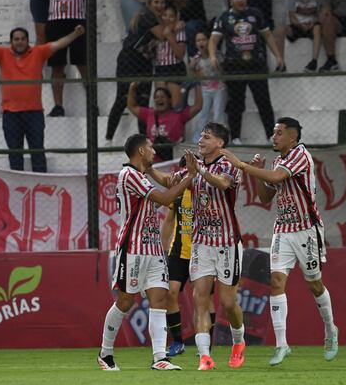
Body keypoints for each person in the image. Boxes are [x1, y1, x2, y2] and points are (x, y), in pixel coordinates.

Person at [220, 117, 339, 366]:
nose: (274, 137)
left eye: (279, 133)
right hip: (283, 229)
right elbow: (266, 196)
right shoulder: (278, 161)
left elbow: (276, 178)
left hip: (307, 229)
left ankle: (330, 329)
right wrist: (257, 172)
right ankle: (282, 344)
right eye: (274, 133)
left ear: (292, 137)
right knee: (276, 282)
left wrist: (242, 165)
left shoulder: (300, 155)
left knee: (315, 284)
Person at [97, 133, 196, 371]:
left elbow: (169, 185)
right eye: (150, 147)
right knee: (125, 300)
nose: (154, 151)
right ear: (140, 151)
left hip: (152, 248)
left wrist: (188, 173)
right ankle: (105, 353)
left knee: (159, 298)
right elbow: (164, 198)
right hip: (133, 248)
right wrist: (190, 177)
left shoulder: (141, 175)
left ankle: (159, 357)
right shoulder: (128, 174)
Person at [0, 24, 86, 172]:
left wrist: (75, 34)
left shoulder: (38, 52)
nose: (19, 42)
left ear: (28, 41)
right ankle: (17, 186)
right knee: (15, 153)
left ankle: (41, 185)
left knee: (37, 152)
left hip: (34, 113)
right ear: (11, 42)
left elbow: (59, 44)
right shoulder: (2, 54)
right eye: (16, 39)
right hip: (10, 114)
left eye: (22, 39)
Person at [178, 122, 246, 370]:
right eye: (200, 136)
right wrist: (148, 170)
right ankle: (204, 356)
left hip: (227, 243)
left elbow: (224, 184)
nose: (200, 140)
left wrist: (199, 172)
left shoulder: (228, 164)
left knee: (228, 303)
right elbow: (170, 180)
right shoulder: (193, 166)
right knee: (200, 299)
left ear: (220, 143)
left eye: (206, 137)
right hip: (201, 243)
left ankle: (238, 342)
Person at [28, 0, 103, 118]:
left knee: (83, 65)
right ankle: (58, 106)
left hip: (77, 21)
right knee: (57, 66)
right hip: (55, 21)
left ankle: (93, 104)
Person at [210, 0, 283, 144]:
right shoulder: (224, 17)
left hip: (256, 64)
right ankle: (235, 137)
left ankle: (271, 136)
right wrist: (211, 55)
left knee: (263, 101)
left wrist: (278, 56)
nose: (240, 0)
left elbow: (268, 35)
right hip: (234, 67)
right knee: (236, 103)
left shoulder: (256, 14)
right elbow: (213, 40)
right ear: (231, 0)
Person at [160, 154, 216, 357]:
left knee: (203, 300)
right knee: (170, 293)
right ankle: (177, 342)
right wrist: (163, 248)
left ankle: (205, 345)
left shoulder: (206, 194)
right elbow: (168, 221)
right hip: (179, 251)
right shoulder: (177, 193)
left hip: (202, 251)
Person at [105, 0, 166, 144]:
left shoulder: (157, 19)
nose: (159, 5)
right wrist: (175, 26)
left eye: (162, 3)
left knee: (143, 102)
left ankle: (144, 141)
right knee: (122, 99)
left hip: (144, 62)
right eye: (156, 1)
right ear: (150, 3)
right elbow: (162, 35)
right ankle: (108, 139)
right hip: (129, 60)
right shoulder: (147, 16)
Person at [126, 82, 202, 162]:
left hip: (173, 160)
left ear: (169, 100)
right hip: (153, 161)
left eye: (162, 97)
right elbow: (131, 106)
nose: (159, 99)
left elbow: (198, 106)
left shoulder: (178, 115)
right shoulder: (149, 114)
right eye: (156, 97)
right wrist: (132, 88)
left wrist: (198, 86)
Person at [276, 0, 322, 73]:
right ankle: (281, 63)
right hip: (298, 26)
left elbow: (320, 14)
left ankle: (314, 61)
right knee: (280, 29)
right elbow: (291, 16)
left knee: (318, 28)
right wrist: (299, 25)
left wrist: (314, 22)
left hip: (312, 26)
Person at [190, 31, 227, 142]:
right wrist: (194, 70)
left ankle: (220, 138)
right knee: (203, 114)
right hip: (205, 89)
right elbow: (193, 72)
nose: (201, 42)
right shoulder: (196, 58)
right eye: (198, 40)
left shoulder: (217, 55)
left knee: (218, 114)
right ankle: (199, 137)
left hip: (219, 88)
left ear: (208, 41)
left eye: (203, 39)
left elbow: (223, 70)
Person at [153, 4, 186, 105]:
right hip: (160, 68)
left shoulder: (180, 31)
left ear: (176, 18)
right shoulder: (157, 31)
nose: (167, 18)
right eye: (164, 15)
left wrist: (170, 36)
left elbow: (180, 54)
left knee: (175, 104)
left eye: (171, 16)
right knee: (161, 103)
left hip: (174, 67)